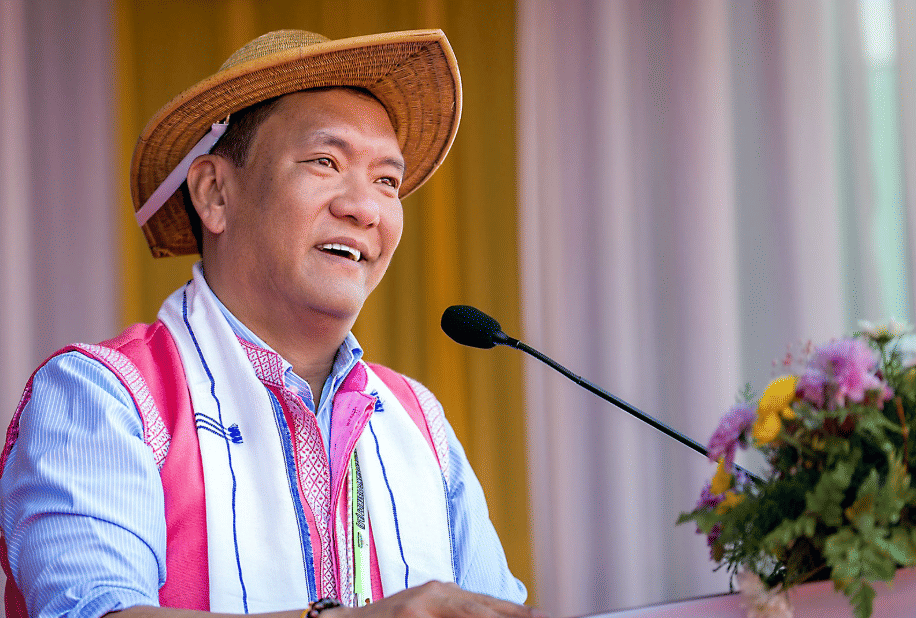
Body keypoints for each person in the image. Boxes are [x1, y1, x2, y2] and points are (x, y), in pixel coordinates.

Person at [0, 29, 534, 618]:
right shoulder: (101, 395)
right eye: (325, 162)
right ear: (215, 193)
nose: (365, 208)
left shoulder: (419, 422)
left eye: (387, 180)